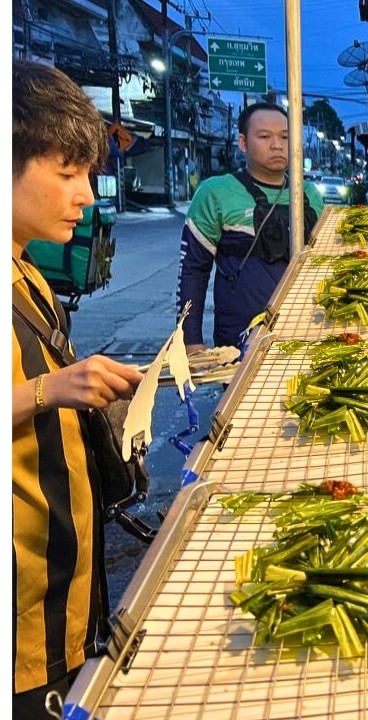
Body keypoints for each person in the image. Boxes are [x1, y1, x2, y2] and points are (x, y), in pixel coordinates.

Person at [12, 60, 145, 716]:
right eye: (67, 174)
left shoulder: (28, 274)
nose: (86, 195)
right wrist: (51, 389)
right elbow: (40, 391)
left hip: (61, 581)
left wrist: (102, 388)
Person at [177, 102, 323, 353]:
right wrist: (190, 341)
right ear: (243, 143)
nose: (277, 145)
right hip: (240, 343)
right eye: (265, 136)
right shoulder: (216, 193)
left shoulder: (309, 194)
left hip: (304, 336)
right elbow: (193, 271)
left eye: (285, 137)